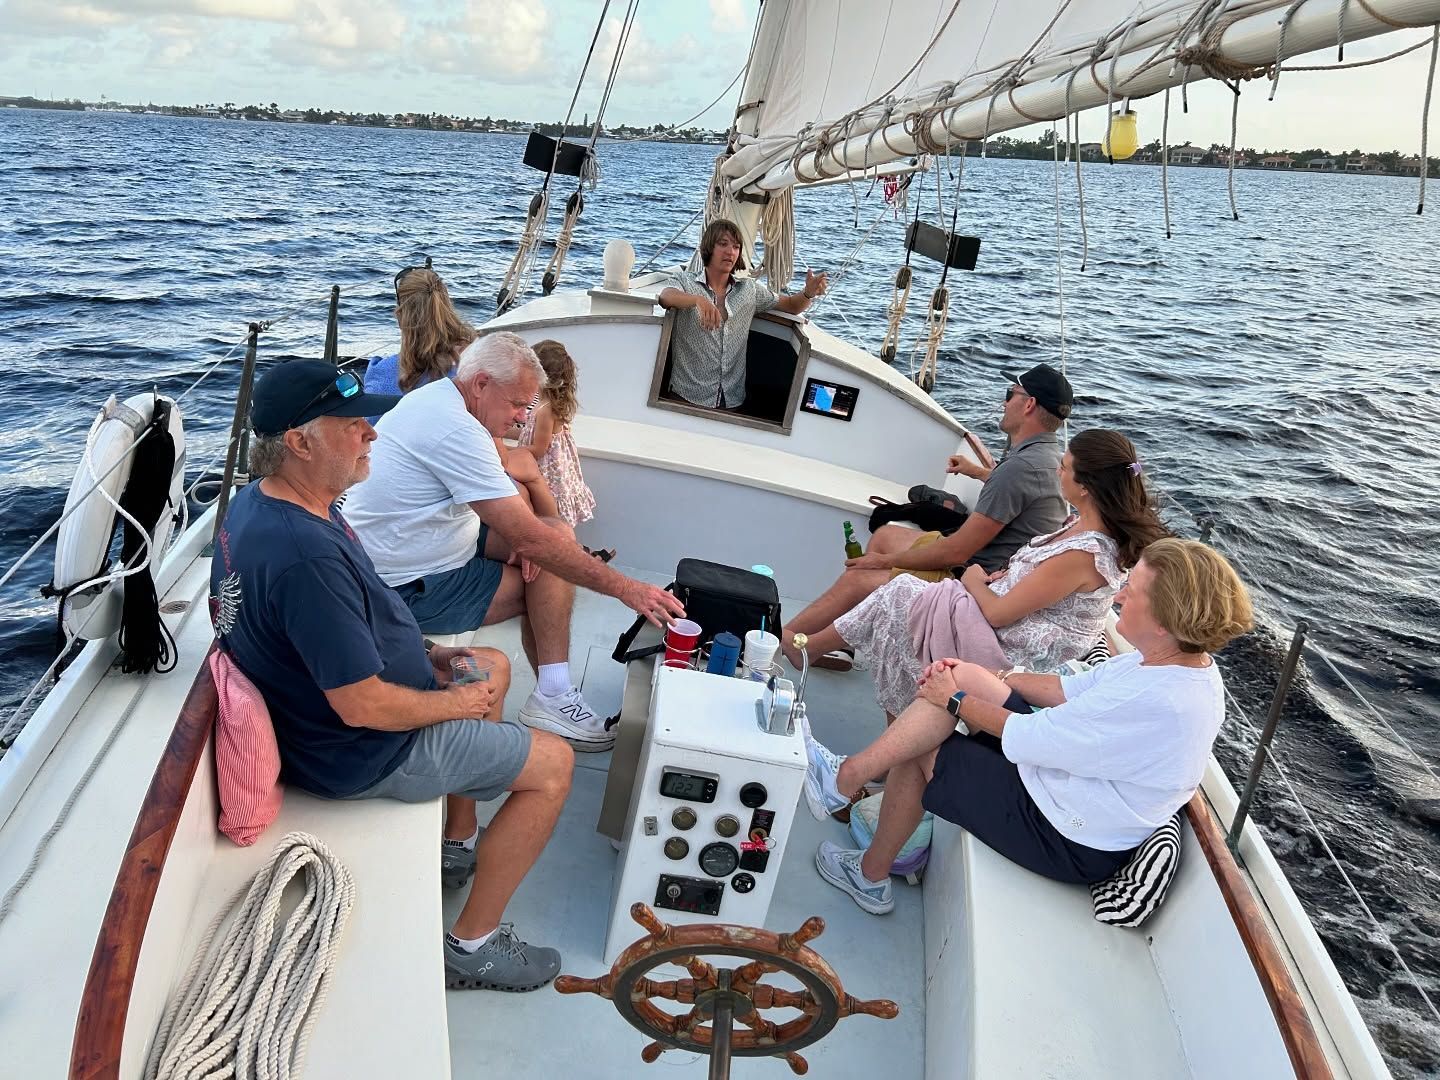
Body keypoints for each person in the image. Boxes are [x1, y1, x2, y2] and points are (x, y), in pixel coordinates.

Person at [209, 358, 573, 991]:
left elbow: (354, 620)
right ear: (299, 442)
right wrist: (454, 706)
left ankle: (457, 842)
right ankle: (473, 945)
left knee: (491, 664)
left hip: (345, 713)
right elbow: (363, 705)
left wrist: (430, 655)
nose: (371, 434)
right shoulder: (305, 557)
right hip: (358, 751)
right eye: (353, 425)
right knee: (554, 766)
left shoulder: (271, 505)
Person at [805, 538, 1254, 914]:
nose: (1118, 598)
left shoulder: (1158, 700)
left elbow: (1031, 739)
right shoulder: (1163, 661)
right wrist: (985, 678)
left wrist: (956, 700)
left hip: (1066, 833)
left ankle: (868, 867)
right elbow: (1065, 692)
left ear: (1164, 620)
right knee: (960, 677)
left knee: (922, 743)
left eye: (1132, 593)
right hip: (1067, 783)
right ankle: (849, 778)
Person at [341, 332, 685, 752]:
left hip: (423, 543)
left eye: (530, 405)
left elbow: (518, 502)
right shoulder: (455, 430)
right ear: (482, 383)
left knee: (553, 540)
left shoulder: (448, 402)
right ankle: (554, 695)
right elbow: (529, 534)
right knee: (547, 572)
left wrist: (531, 539)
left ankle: (551, 693)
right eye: (519, 404)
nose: (524, 418)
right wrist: (628, 589)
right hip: (402, 585)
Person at [801, 430, 1167, 727]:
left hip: (1012, 646)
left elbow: (999, 616)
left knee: (899, 598)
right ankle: (811, 649)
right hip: (1005, 618)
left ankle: (805, 647)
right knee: (904, 599)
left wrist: (974, 580)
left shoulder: (1084, 554)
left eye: (1065, 468)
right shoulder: (1078, 524)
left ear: (1086, 486)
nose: (1058, 471)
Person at [783, 364, 1073, 670]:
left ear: (1029, 404)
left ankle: (789, 641)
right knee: (884, 535)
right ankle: (849, 637)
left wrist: (881, 562)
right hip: (981, 560)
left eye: (1009, 394)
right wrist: (976, 471)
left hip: (976, 577)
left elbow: (957, 550)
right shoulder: (1042, 456)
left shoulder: (1022, 467)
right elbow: (1012, 492)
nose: (1004, 402)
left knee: (860, 577)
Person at [657, 218, 828, 410]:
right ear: (708, 247)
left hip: (732, 401)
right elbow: (666, 296)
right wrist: (698, 301)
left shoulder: (749, 290)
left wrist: (808, 293)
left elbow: (791, 305)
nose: (730, 251)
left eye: (736, 246)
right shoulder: (686, 282)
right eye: (723, 244)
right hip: (686, 397)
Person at [516, 339, 598, 530]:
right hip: (541, 464)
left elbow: (538, 448)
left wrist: (507, 452)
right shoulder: (542, 403)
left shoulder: (546, 410)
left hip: (545, 473)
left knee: (545, 517)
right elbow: (529, 430)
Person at [364, 265, 475, 398]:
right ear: (446, 306)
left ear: (400, 315)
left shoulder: (381, 376)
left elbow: (372, 418)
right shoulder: (475, 367)